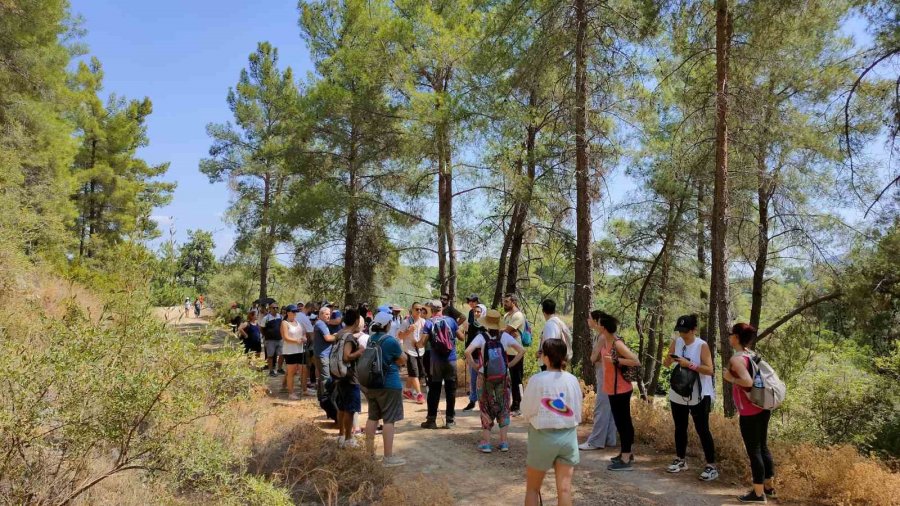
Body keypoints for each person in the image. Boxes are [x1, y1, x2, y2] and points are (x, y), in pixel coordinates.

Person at [522, 338, 582, 506]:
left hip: (542, 437)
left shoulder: (537, 380)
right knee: (564, 490)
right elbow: (578, 412)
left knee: (533, 489)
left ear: (546, 357)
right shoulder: (572, 380)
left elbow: (527, 410)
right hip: (568, 437)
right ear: (564, 358)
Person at [662, 314, 719, 481]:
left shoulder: (702, 345)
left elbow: (710, 370)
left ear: (694, 330)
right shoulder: (677, 341)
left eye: (685, 331)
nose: (682, 334)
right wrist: (670, 358)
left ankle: (711, 466)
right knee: (680, 427)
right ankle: (680, 459)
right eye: (679, 331)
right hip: (679, 391)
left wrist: (690, 365)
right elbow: (666, 364)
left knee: (702, 429)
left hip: (699, 395)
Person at [725, 323, 776, 503]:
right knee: (763, 447)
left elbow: (747, 382)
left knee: (754, 451)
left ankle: (758, 493)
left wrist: (730, 378)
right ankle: (769, 487)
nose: (729, 336)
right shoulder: (751, 354)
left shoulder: (737, 359)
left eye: (731, 334)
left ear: (737, 337)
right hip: (763, 406)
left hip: (750, 410)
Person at [465, 309, 524, 453]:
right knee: (504, 406)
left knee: (485, 406)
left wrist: (475, 366)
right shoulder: (504, 337)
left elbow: (467, 352)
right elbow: (521, 350)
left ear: (486, 324)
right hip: (503, 376)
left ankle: (486, 442)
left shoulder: (481, 337)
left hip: (484, 377)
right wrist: (509, 365)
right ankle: (504, 442)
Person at [595, 311, 640, 471]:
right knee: (620, 422)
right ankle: (625, 453)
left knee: (623, 422)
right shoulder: (605, 341)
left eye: (598, 323)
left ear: (604, 327)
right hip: (611, 388)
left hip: (621, 388)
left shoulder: (616, 343)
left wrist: (615, 360)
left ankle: (626, 457)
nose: (596, 325)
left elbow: (636, 361)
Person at [364, 312, 407, 467]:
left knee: (372, 417)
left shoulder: (371, 339)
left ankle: (369, 454)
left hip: (372, 383)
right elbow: (402, 359)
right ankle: (388, 457)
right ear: (387, 325)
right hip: (390, 384)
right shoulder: (390, 340)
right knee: (389, 419)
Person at [579, 310, 617, 451]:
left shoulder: (602, 337)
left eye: (589, 318)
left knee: (601, 408)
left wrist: (595, 356)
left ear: (596, 321)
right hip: (608, 375)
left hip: (606, 375)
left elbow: (593, 357)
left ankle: (595, 441)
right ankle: (609, 438)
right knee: (609, 408)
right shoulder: (604, 336)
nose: (588, 320)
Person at [421, 299, 461, 429]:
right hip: (451, 359)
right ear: (442, 308)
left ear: (431, 310)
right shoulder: (451, 321)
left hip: (436, 361)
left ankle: (431, 420)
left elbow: (422, 342)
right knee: (450, 390)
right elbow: (461, 337)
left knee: (434, 390)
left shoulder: (429, 322)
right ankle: (450, 420)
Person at [334, 308, 364, 448]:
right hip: (349, 376)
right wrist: (360, 351)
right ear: (357, 321)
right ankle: (348, 439)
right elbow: (347, 356)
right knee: (350, 409)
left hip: (338, 375)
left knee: (341, 407)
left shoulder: (339, 334)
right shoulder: (349, 337)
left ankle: (341, 436)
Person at [502, 293, 526, 416]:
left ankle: (519, 406)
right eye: (504, 301)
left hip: (516, 352)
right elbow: (503, 329)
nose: (504, 304)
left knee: (517, 379)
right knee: (509, 379)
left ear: (513, 302)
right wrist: (506, 331)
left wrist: (506, 331)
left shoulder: (518, 315)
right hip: (506, 351)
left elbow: (505, 330)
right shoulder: (507, 315)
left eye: (506, 301)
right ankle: (513, 404)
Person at [399, 302, 427, 404]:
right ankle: (419, 394)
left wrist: (421, 343)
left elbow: (426, 335)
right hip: (409, 351)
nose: (419, 311)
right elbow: (400, 336)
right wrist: (409, 331)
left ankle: (406, 391)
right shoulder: (406, 322)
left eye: (420, 309)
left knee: (416, 373)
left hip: (420, 350)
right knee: (414, 372)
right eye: (417, 309)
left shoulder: (423, 321)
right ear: (412, 310)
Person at [461, 295, 484, 411]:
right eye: (475, 312)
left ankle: (484, 402)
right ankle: (472, 400)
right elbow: (469, 339)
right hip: (473, 355)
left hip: (484, 356)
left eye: (478, 312)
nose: (476, 313)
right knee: (473, 379)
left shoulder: (487, 326)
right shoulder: (472, 324)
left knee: (484, 380)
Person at [280, 305, 309, 400]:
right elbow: (285, 337)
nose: (295, 314)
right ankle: (291, 392)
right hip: (290, 351)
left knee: (304, 370)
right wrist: (296, 340)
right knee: (291, 372)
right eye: (293, 312)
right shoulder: (284, 323)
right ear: (288, 313)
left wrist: (304, 338)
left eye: (296, 312)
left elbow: (303, 333)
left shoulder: (298, 322)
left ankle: (304, 390)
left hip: (300, 350)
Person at [538, 299, 572, 371]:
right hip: (556, 361)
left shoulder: (550, 324)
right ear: (554, 310)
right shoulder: (559, 322)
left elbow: (550, 345)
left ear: (543, 311)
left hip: (551, 363)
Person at [313, 306, 337, 402]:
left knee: (322, 377)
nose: (329, 316)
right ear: (321, 314)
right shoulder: (321, 324)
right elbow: (328, 338)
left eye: (329, 314)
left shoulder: (321, 324)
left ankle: (321, 397)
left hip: (321, 354)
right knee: (326, 378)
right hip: (323, 355)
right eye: (327, 314)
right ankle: (326, 399)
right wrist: (338, 336)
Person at [261, 303, 284, 377]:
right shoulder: (266, 318)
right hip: (270, 340)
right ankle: (271, 370)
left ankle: (279, 369)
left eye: (277, 307)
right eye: (273, 308)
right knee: (270, 355)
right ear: (270, 309)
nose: (275, 309)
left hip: (280, 339)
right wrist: (266, 335)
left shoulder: (280, 317)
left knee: (281, 354)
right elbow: (261, 328)